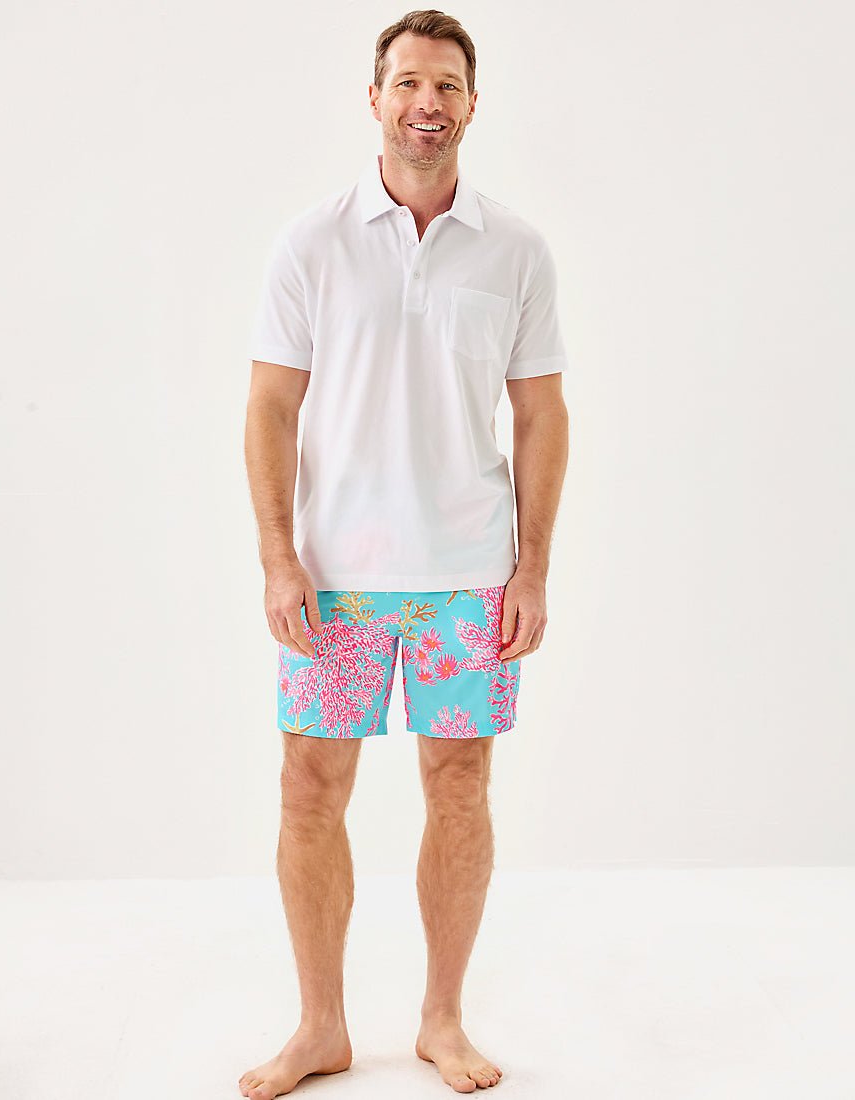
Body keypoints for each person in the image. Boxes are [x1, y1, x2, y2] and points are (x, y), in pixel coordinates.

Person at [240, 9, 569, 1097]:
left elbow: (540, 415)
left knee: (460, 785)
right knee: (308, 788)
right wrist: (279, 557)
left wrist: (530, 568)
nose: (427, 102)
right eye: (409, 83)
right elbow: (270, 407)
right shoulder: (312, 242)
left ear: (473, 104)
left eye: (447, 86)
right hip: (333, 580)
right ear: (374, 97)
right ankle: (320, 1026)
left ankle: (441, 1019)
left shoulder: (515, 249)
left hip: (468, 577)